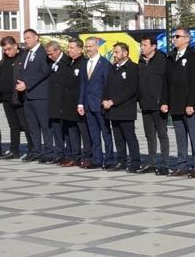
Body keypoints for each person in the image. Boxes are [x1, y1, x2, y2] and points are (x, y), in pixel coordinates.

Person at [167, 27, 195, 177]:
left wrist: (192, 103)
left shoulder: (194, 57)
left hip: (190, 105)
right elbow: (167, 82)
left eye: (177, 36)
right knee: (180, 137)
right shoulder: (171, 56)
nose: (174, 39)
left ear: (187, 39)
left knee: (194, 137)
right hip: (175, 104)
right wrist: (166, 102)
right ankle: (182, 165)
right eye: (173, 36)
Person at [78, 37, 114, 169]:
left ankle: (109, 159)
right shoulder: (84, 63)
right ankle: (97, 159)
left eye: (90, 46)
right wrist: (80, 103)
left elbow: (107, 85)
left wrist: (105, 100)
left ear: (97, 47)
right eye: (86, 47)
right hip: (88, 105)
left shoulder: (105, 64)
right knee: (93, 134)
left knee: (106, 133)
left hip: (100, 104)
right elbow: (82, 84)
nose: (88, 49)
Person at [104, 43, 141, 172]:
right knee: (118, 137)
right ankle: (121, 161)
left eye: (117, 52)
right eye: (113, 52)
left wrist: (114, 101)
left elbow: (130, 89)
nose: (114, 55)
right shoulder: (113, 68)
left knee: (129, 136)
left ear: (125, 53)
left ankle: (135, 162)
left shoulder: (133, 68)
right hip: (112, 110)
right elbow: (107, 86)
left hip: (125, 109)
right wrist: (105, 100)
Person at [137, 35, 171, 174]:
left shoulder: (162, 60)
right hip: (145, 104)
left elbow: (167, 83)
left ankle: (164, 164)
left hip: (159, 104)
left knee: (162, 134)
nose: (142, 47)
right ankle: (151, 163)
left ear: (153, 46)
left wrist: (165, 102)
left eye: (145, 45)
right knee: (149, 135)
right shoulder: (140, 61)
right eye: (141, 45)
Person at [18, 29, 52, 162]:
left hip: (41, 95)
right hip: (27, 96)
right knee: (32, 126)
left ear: (36, 37)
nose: (26, 41)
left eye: (28, 38)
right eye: (25, 38)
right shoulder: (25, 53)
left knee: (45, 126)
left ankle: (49, 151)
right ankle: (36, 151)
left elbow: (44, 72)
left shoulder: (43, 52)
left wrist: (27, 84)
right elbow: (22, 69)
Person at [0, 37, 29, 159]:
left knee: (25, 124)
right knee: (13, 125)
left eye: (9, 49)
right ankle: (14, 150)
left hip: (19, 97)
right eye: (5, 50)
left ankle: (32, 149)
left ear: (16, 45)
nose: (7, 52)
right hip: (6, 98)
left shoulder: (23, 57)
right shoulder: (4, 60)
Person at [59, 39, 86, 167]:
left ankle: (82, 156)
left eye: (71, 48)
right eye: (68, 47)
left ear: (80, 49)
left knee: (81, 132)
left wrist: (80, 102)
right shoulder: (69, 62)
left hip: (78, 103)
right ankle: (72, 155)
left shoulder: (83, 63)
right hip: (67, 103)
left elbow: (82, 84)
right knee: (69, 131)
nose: (68, 50)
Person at [44, 41, 70, 165]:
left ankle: (69, 153)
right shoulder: (51, 63)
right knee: (56, 129)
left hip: (64, 101)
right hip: (52, 102)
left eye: (51, 54)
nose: (49, 56)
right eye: (48, 54)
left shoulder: (67, 61)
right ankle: (59, 153)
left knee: (66, 130)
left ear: (58, 50)